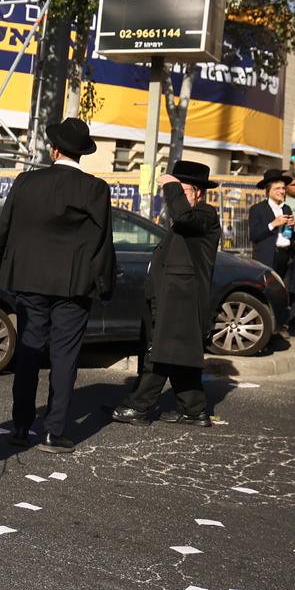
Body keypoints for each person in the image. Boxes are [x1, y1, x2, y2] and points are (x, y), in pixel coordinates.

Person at [0, 117, 115, 453]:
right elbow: (103, 240)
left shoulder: (26, 182)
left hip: (29, 280)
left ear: (55, 149)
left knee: (29, 351)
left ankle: (20, 425)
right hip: (73, 286)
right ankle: (54, 429)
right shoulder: (94, 188)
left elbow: (6, 227)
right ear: (81, 154)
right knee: (65, 356)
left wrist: (2, 269)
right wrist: (104, 284)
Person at [111, 161, 223, 428]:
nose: (175, 197)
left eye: (182, 191)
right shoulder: (188, 219)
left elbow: (185, 217)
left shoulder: (205, 215)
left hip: (182, 301)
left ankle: (139, 407)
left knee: (160, 354)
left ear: (198, 193)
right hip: (173, 298)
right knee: (178, 355)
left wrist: (171, 185)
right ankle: (194, 410)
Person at [248, 169, 295, 276]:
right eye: (277, 188)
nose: (282, 191)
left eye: (283, 188)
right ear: (268, 191)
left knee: (285, 289)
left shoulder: (286, 208)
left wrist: (294, 226)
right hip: (268, 257)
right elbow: (254, 235)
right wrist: (273, 224)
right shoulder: (257, 209)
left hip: (287, 257)